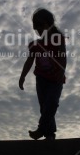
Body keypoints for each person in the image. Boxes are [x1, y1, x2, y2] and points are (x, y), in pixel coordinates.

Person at [19, 8, 66, 140]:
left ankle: (41, 129)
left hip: (56, 78)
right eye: (35, 27)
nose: (38, 30)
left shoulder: (58, 39)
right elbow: (29, 61)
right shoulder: (35, 45)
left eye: (41, 25)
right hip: (41, 79)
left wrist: (61, 72)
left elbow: (63, 57)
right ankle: (49, 134)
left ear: (49, 24)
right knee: (44, 107)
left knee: (52, 103)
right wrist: (22, 76)